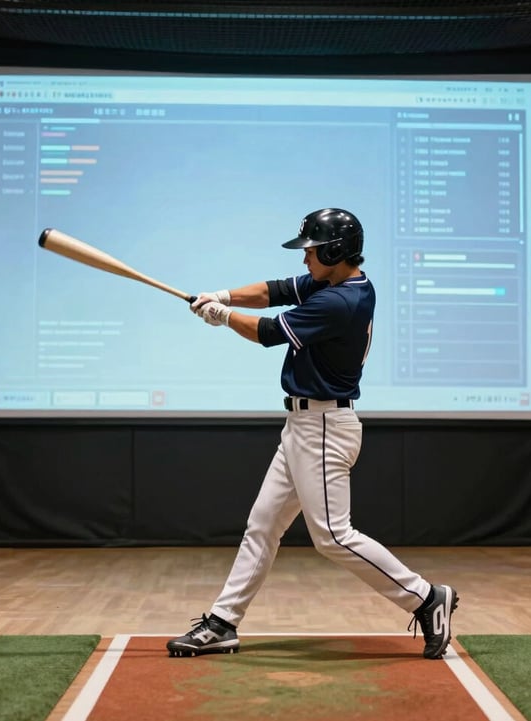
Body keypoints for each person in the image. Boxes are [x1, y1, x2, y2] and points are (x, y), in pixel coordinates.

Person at [167, 208, 457, 660]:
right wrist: (221, 295)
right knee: (263, 525)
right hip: (304, 426)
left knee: (334, 536)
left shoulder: (341, 301)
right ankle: (223, 622)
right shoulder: (337, 282)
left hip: (324, 428)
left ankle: (425, 597)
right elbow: (275, 291)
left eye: (312, 251)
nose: (305, 259)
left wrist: (221, 315)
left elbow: (268, 332)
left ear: (336, 251)